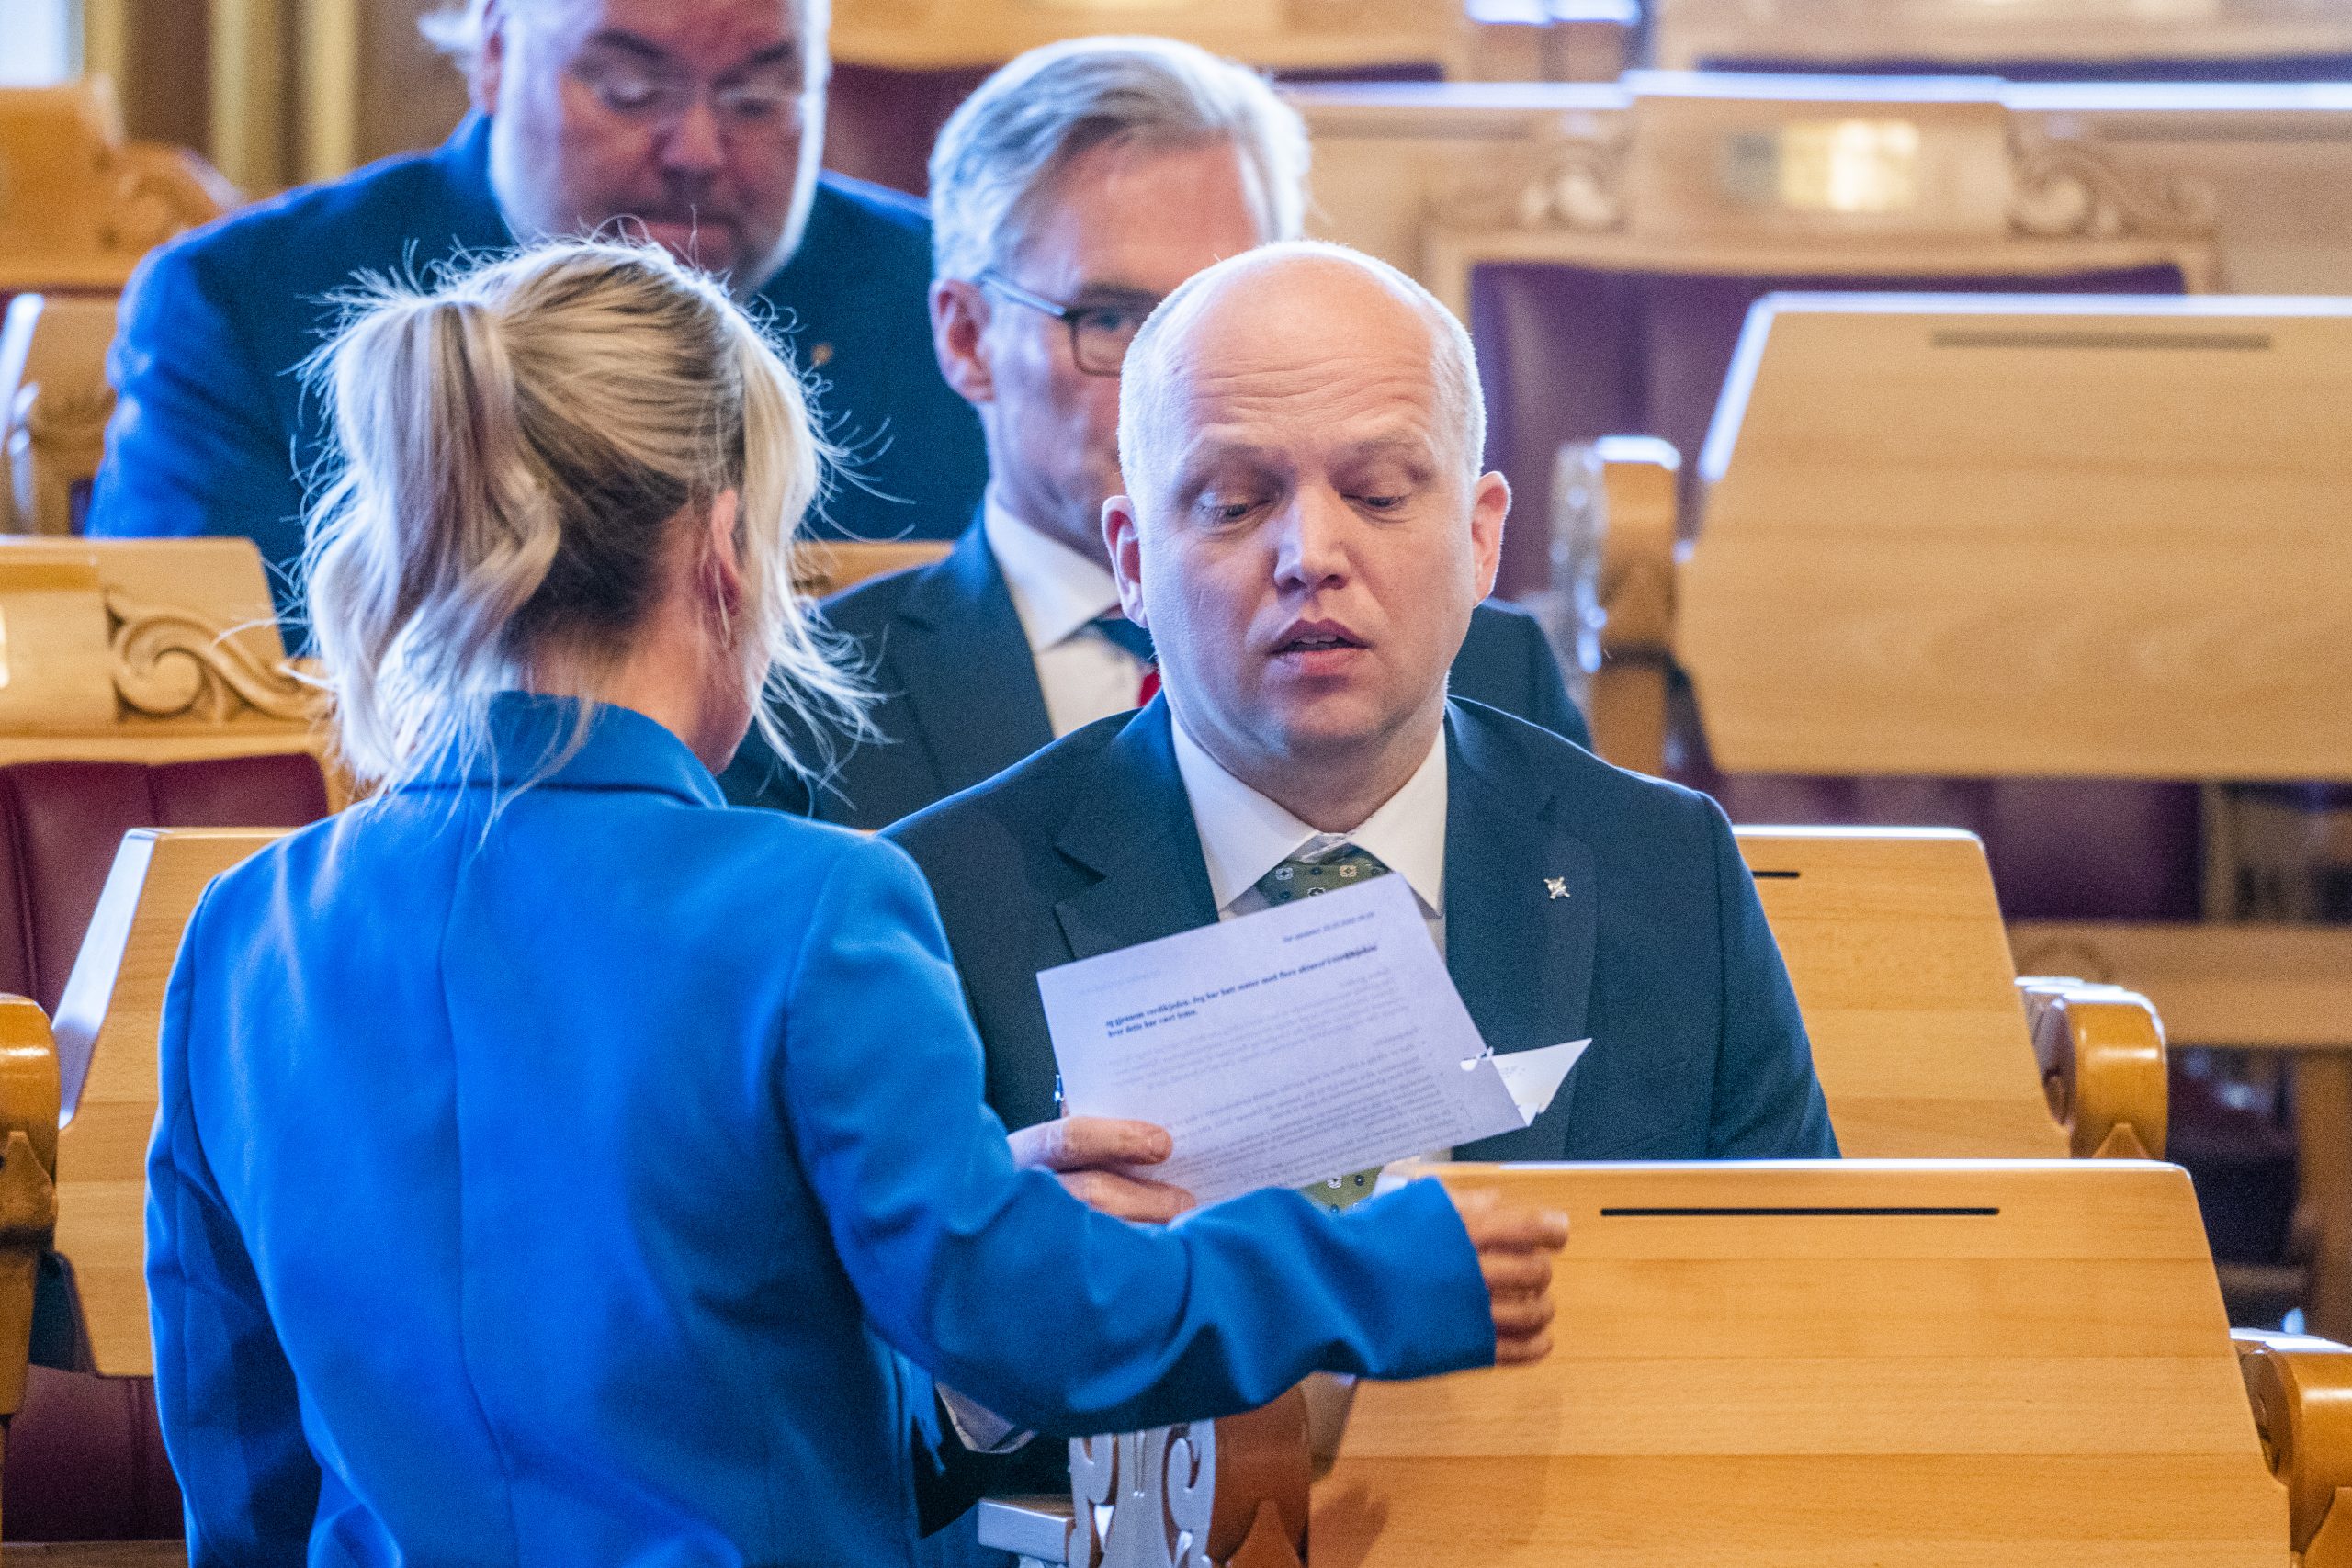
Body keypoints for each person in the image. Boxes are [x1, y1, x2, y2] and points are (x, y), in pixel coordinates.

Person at [141, 241, 1568, 1566]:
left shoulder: (246, 931)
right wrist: (1381, 1263)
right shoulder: (811, 902)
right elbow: (1027, 1326)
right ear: (723, 552)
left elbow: (236, 1446)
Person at [888, 241, 1840, 1172]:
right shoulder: (940, 906)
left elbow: (1795, 1263)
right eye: (1234, 504)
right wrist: (1004, 1247)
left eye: (1378, 495)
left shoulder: (1669, 871)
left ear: (1480, 540)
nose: (1311, 555)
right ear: (1133, 563)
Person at [721, 38, 1585, 828]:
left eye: (1229, 306)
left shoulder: (1491, 666)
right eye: (1110, 318)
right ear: (968, 337)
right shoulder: (804, 701)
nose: (1182, 378)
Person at [88, 0, 985, 614]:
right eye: (631, 91)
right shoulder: (248, 304)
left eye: (757, 99)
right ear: (493, 51)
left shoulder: (952, 302)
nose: (698, 150)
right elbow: (208, 687)